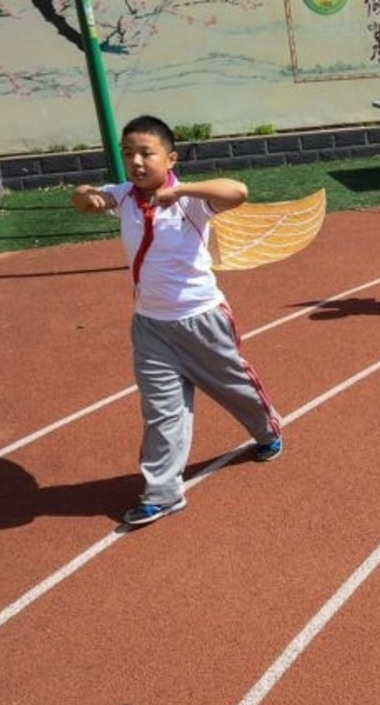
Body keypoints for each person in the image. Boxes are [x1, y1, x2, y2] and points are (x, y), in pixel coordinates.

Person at [70, 115, 283, 526]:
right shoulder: (124, 196)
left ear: (170, 158)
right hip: (150, 327)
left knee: (233, 386)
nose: (135, 161)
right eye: (127, 152)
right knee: (161, 411)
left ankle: (268, 429)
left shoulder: (192, 201)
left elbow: (238, 191)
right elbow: (82, 196)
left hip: (201, 319)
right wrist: (88, 196)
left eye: (146, 153)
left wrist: (179, 189)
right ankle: (163, 493)